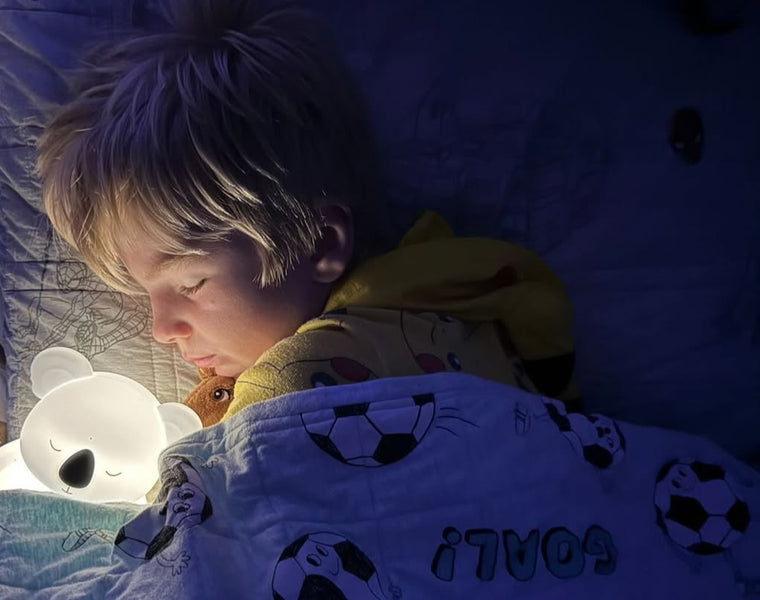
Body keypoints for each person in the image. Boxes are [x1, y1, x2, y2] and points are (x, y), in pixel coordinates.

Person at [38, 0, 579, 423]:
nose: (160, 330)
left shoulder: (295, 384)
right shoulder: (473, 320)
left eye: (191, 282)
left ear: (320, 242)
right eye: (145, 293)